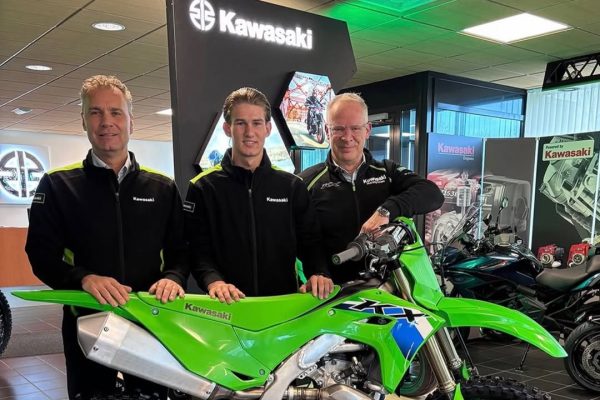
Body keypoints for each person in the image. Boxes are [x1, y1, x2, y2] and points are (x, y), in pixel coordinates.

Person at [25, 75, 189, 399]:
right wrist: (83, 278)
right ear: (83, 121)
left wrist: (173, 278)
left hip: (151, 323)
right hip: (87, 323)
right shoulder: (58, 185)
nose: (106, 122)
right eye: (96, 112)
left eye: (115, 112)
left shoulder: (162, 187)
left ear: (131, 121)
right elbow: (41, 256)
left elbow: (181, 251)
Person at [184, 87, 332, 303]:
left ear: (268, 128)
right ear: (227, 128)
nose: (249, 132)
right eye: (240, 123)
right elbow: (197, 250)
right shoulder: (203, 187)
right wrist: (213, 281)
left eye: (257, 123)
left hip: (282, 304)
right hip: (227, 305)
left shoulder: (291, 186)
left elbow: (311, 242)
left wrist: (318, 272)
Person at [299, 92, 444, 283]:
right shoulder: (306, 182)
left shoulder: (387, 172)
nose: (347, 137)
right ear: (327, 130)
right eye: (339, 128)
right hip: (335, 292)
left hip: (390, 288)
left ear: (367, 130)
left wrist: (386, 210)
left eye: (355, 128)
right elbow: (305, 240)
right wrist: (318, 273)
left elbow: (433, 194)